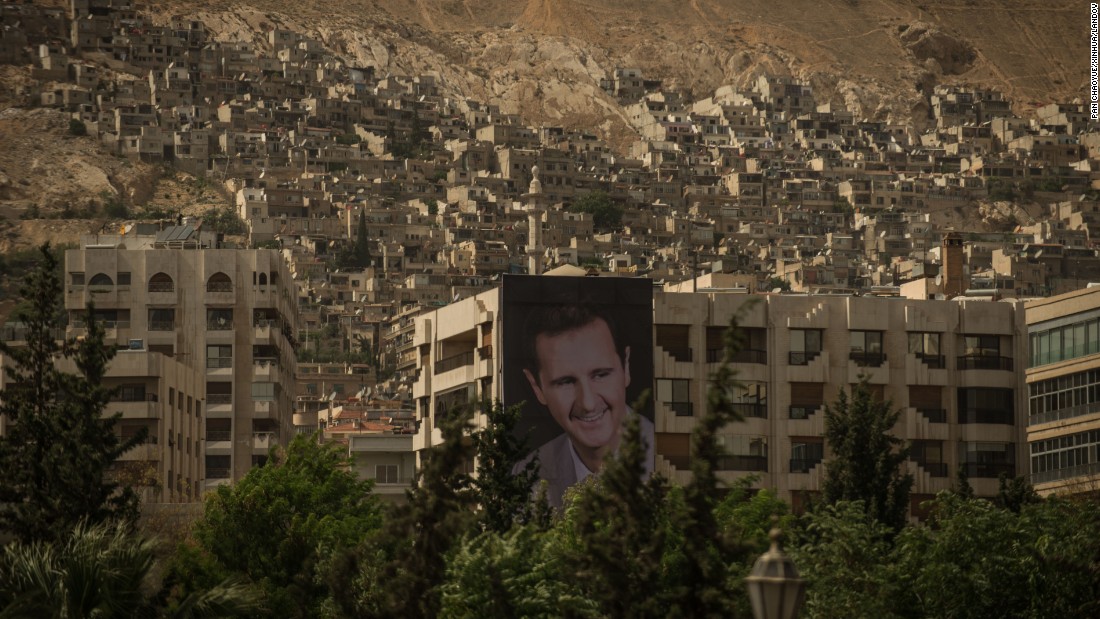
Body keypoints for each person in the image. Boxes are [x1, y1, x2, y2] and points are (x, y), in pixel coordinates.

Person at [513, 303, 654, 508]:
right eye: (566, 382)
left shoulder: (665, 456)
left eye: (600, 375)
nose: (587, 403)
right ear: (537, 387)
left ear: (626, 366)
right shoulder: (528, 473)